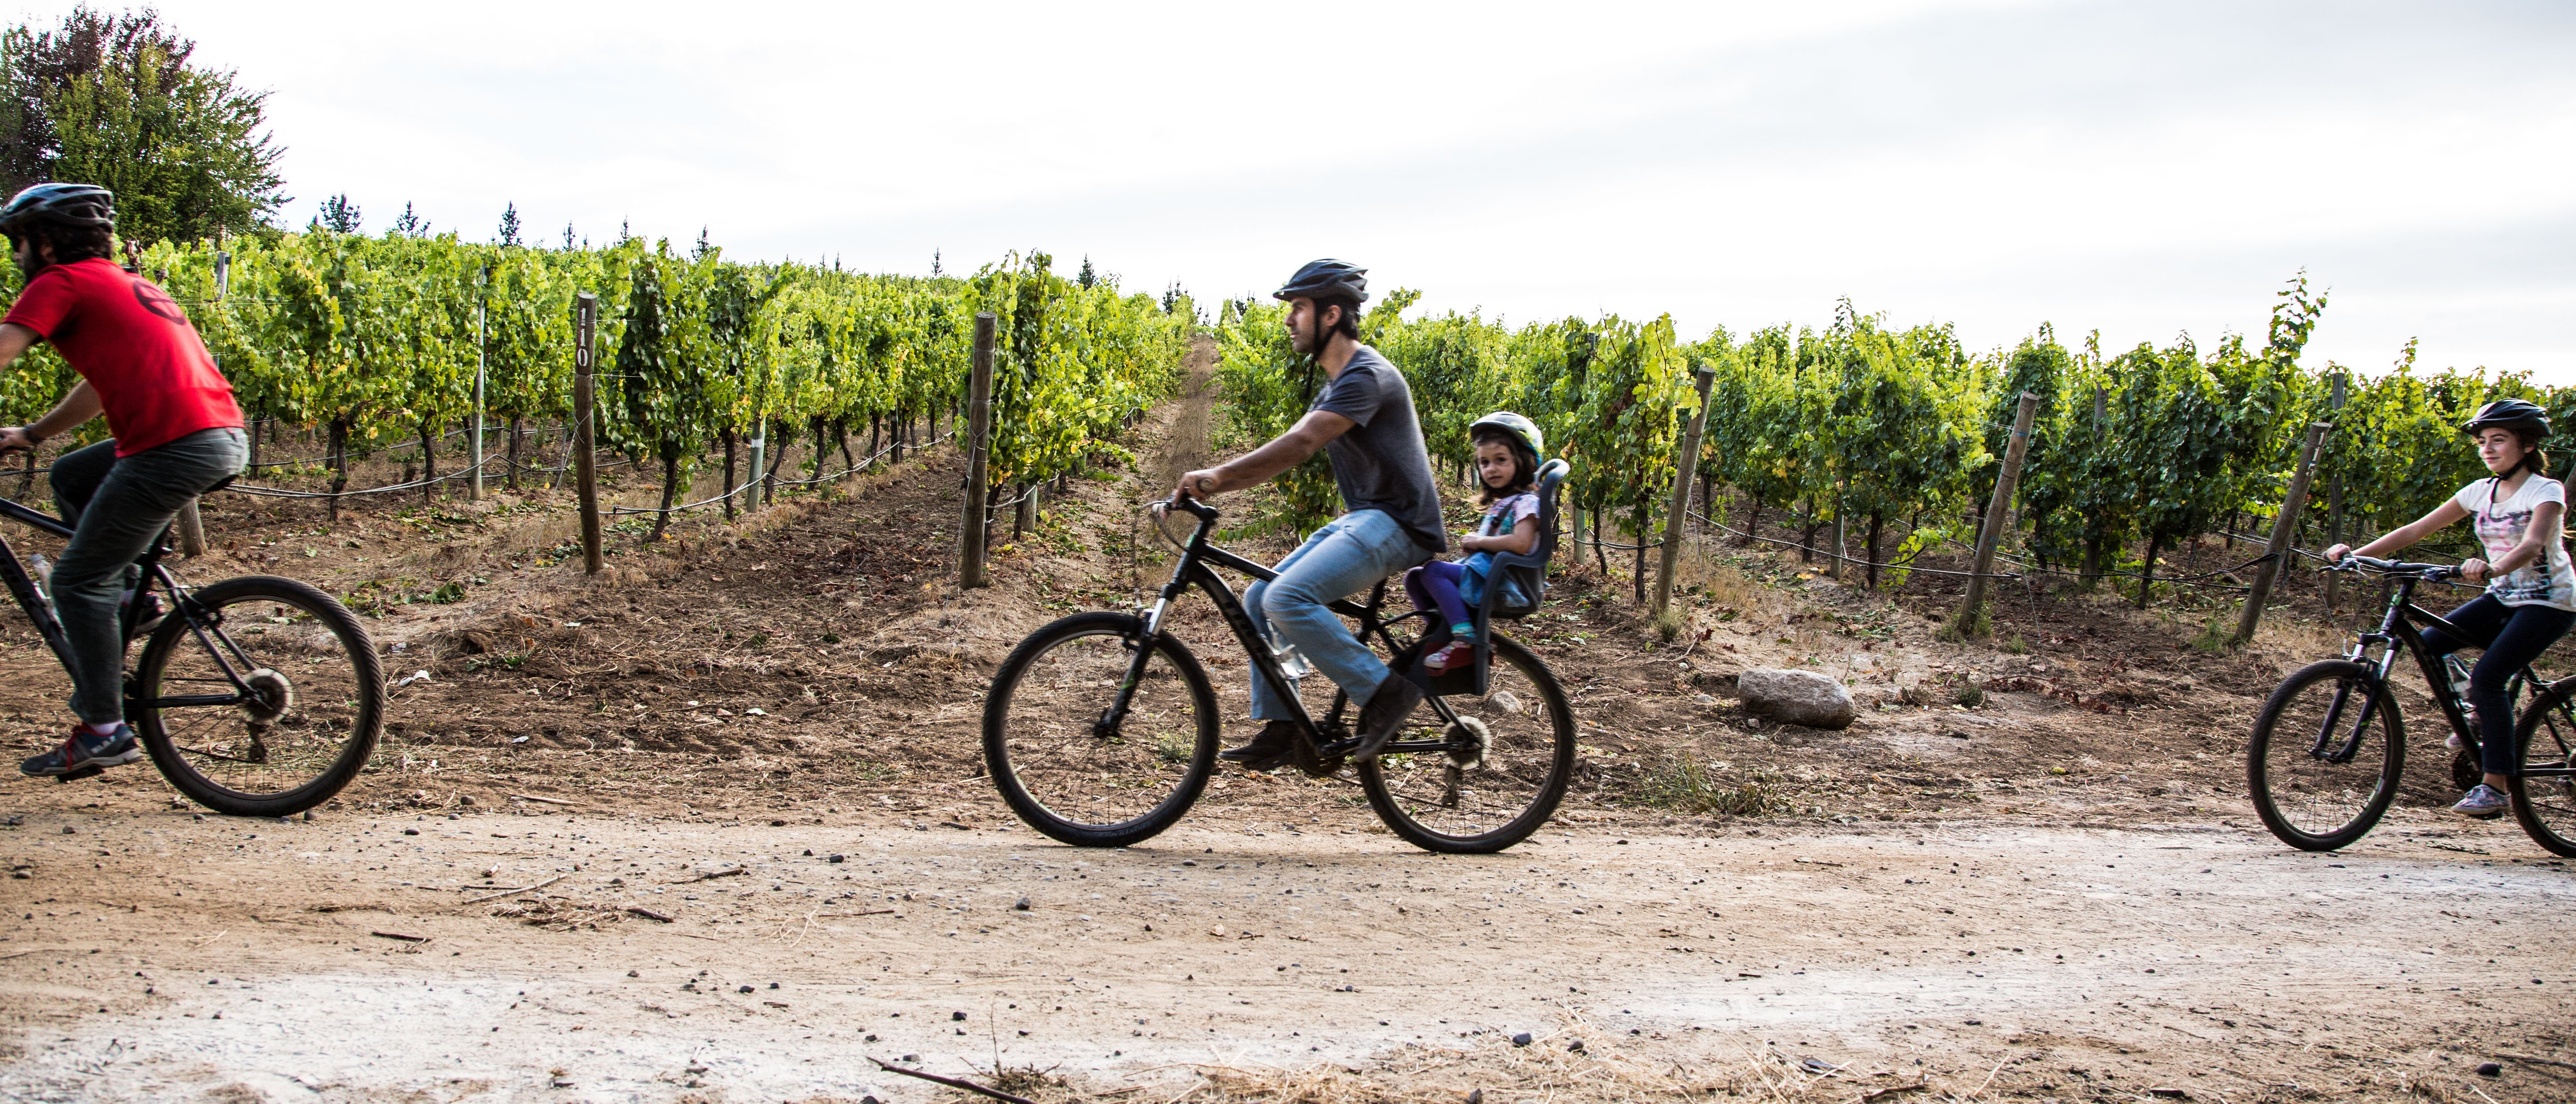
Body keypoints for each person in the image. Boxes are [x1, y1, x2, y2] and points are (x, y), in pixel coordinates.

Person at [0, 182, 247, 779]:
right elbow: (94, 388)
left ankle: (104, 729)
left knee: (78, 582)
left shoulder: (60, 282)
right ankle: (138, 599)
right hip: (217, 437)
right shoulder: (125, 285)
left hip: (172, 447)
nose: (15, 257)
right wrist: (32, 434)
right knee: (72, 476)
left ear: (48, 241)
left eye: (19, 242)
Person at [1165, 259, 1444, 769]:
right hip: (1369, 518)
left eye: (1298, 308)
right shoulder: (1336, 384)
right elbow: (1286, 450)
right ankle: (1285, 725)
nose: (1289, 319)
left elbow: (1302, 443)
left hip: (1401, 524)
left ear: (1332, 314)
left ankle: (1384, 692)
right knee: (1259, 596)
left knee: (1289, 596)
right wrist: (1220, 480)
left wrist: (1215, 478)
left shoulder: (1367, 375)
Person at [2324, 398, 2575, 819]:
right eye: (2482, 442)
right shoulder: (2480, 491)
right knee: (2427, 645)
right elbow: (2416, 529)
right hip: (2504, 597)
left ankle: (2495, 786)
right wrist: (2357, 554)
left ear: (2528, 445)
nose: (2488, 449)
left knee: (2490, 675)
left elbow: (2533, 543)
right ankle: (2477, 713)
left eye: (2499, 440)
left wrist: (2494, 566)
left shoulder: (2545, 490)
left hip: (2549, 601)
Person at [1406, 412, 1543, 673]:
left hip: (1505, 582)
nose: (1491, 469)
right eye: (1484, 462)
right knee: (1415, 577)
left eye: (1501, 460)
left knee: (1434, 572)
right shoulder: (1506, 502)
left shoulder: (1527, 502)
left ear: (1523, 461)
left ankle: (1464, 638)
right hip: (1487, 573)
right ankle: (1440, 635)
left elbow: (1521, 543)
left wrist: (1481, 542)